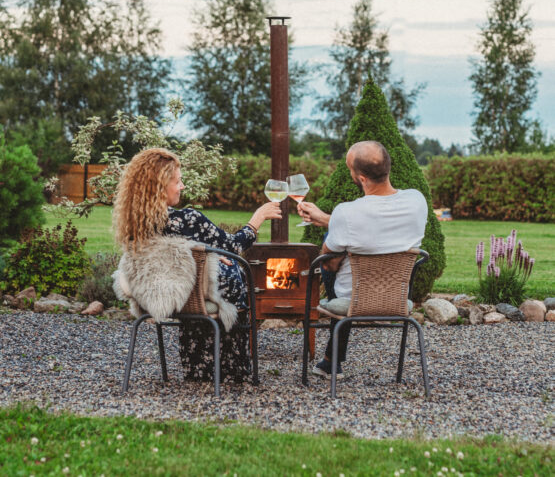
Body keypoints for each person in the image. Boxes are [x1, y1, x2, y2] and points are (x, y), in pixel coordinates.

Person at [113, 147, 281, 383]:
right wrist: (258, 218)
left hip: (163, 297)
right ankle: (232, 366)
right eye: (178, 182)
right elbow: (233, 245)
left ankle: (197, 365)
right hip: (197, 298)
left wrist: (207, 257)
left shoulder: (135, 227)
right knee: (236, 271)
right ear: (160, 186)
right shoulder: (189, 219)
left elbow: (174, 255)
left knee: (220, 265)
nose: (182, 187)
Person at [297, 141, 428, 379]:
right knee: (341, 244)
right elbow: (378, 224)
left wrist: (333, 226)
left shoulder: (346, 212)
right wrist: (328, 219)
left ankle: (331, 361)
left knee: (332, 254)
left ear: (361, 178)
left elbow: (328, 262)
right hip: (397, 299)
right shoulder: (417, 201)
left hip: (352, 298)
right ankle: (329, 361)